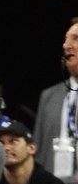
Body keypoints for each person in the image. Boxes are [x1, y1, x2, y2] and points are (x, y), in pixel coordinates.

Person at [32, 19, 78, 175]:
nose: (66, 45)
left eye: (75, 38)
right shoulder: (49, 96)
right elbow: (39, 150)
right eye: (66, 39)